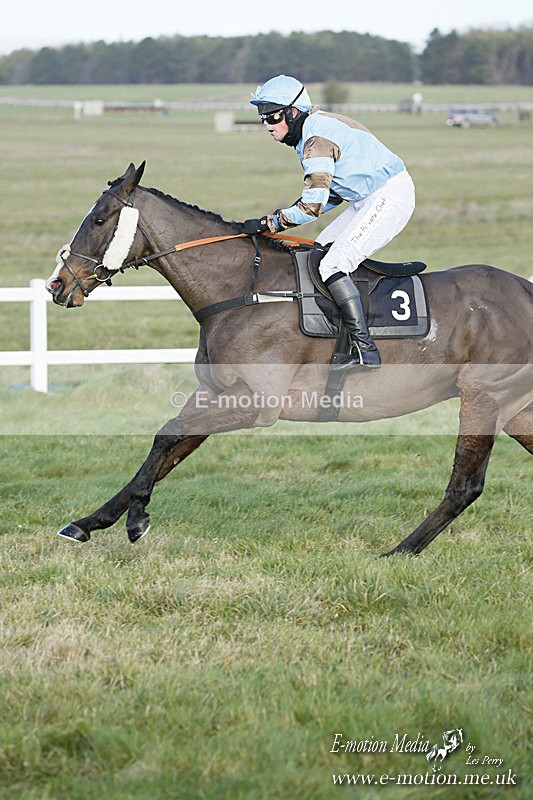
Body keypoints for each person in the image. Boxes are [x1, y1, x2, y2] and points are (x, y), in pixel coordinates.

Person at [242, 75, 416, 370]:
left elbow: (311, 207)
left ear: (292, 113)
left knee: (333, 265)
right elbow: (331, 196)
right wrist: (276, 222)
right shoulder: (314, 126)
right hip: (367, 197)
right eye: (262, 117)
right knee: (319, 251)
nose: (267, 125)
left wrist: (270, 223)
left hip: (387, 196)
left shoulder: (315, 141)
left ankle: (366, 350)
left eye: (272, 116)